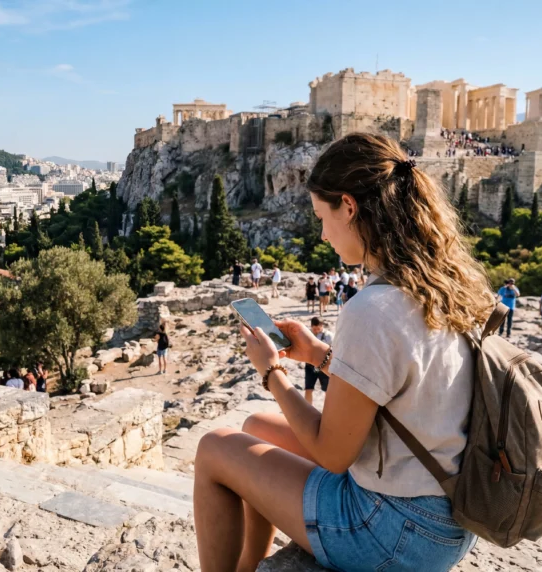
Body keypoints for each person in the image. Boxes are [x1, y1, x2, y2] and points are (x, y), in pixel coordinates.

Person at [193, 133, 487, 572]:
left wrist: (272, 374)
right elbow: (401, 392)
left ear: (348, 207)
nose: (323, 233)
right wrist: (319, 356)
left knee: (215, 447)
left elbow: (334, 454)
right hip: (451, 516)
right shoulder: (440, 286)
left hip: (393, 532)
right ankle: (250, 566)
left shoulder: (370, 308)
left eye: (321, 216)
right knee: (255, 426)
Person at [302, 317, 333, 405]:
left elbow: (333, 350)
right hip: (310, 366)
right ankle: (308, 409)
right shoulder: (307, 334)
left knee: (327, 390)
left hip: (324, 365)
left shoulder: (328, 336)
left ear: (322, 326)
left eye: (318, 329)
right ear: (311, 327)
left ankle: (328, 411)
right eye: (314, 329)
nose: (316, 331)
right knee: (308, 389)